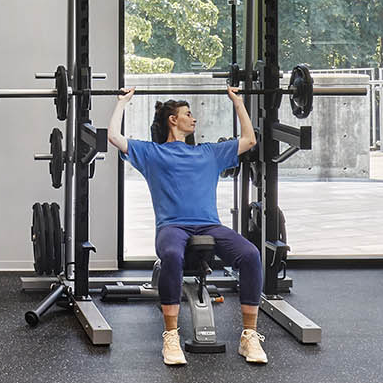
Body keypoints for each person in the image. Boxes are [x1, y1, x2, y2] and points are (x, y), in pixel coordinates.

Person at [107, 84, 266, 366]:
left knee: (251, 255)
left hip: (209, 226)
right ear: (173, 120)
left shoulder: (209, 153)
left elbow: (249, 140)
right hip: (173, 227)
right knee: (171, 256)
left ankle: (249, 336)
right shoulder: (152, 153)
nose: (194, 119)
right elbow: (113, 137)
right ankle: (171, 336)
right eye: (188, 114)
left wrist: (238, 103)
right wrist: (122, 102)